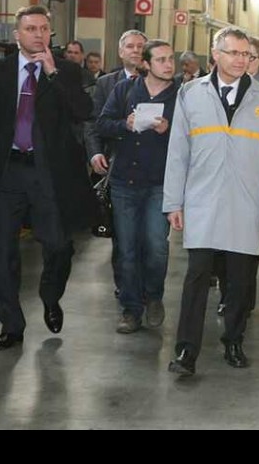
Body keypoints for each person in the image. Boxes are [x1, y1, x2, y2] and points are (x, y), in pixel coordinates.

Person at [0, 5, 94, 351]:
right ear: (17, 34)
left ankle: (50, 296)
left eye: (43, 29)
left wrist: (53, 73)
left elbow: (84, 112)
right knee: (2, 251)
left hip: (47, 173)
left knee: (59, 246)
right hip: (7, 172)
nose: (38, 34)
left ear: (50, 33)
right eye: (30, 28)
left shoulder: (66, 71)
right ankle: (12, 325)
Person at [164, 26, 259, 376]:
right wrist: (173, 201)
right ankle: (186, 350)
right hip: (202, 201)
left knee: (240, 280)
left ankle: (233, 340)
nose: (240, 60)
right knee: (196, 278)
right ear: (215, 54)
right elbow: (178, 151)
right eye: (233, 52)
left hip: (247, 203)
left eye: (246, 54)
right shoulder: (191, 94)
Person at [97, 40, 178, 334]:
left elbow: (193, 136)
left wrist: (169, 130)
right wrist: (125, 125)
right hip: (125, 183)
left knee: (156, 246)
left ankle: (153, 296)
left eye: (171, 59)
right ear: (146, 64)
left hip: (160, 183)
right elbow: (102, 123)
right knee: (127, 248)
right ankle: (131, 309)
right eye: (161, 60)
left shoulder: (180, 95)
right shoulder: (125, 90)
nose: (168, 65)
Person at [84, 29, 148, 295]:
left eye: (140, 46)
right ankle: (125, 287)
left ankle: (145, 285)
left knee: (150, 236)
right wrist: (95, 153)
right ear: (121, 52)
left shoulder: (161, 82)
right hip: (116, 167)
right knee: (122, 234)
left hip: (151, 169)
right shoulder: (105, 84)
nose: (136, 50)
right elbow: (92, 123)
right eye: (130, 46)